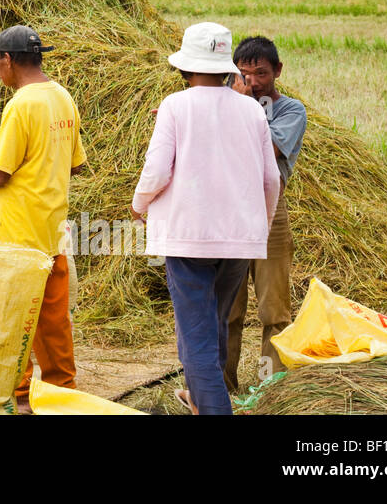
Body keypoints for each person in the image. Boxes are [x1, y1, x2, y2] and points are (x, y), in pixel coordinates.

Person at [131, 22, 279, 416]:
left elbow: (158, 170)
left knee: (195, 336)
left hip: (188, 237)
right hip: (239, 239)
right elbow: (270, 178)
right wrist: (257, 227)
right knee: (212, 323)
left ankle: (213, 409)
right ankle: (199, 401)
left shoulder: (174, 106)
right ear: (227, 66)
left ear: (184, 68)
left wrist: (139, 204)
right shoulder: (251, 110)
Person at [0, 25, 85, 403]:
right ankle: (61, 390)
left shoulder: (20, 103)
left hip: (19, 233)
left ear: (6, 59)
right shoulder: (62, 96)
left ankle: (18, 394)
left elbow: (1, 173)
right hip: (52, 229)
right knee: (53, 318)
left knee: (17, 317)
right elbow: (75, 165)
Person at [224, 35, 307, 392]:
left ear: (277, 71)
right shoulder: (224, 104)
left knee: (274, 311)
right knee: (227, 311)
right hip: (228, 214)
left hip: (271, 214)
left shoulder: (291, 111)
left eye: (261, 73)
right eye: (245, 74)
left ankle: (268, 390)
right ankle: (220, 389)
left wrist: (242, 109)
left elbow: (267, 151)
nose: (254, 82)